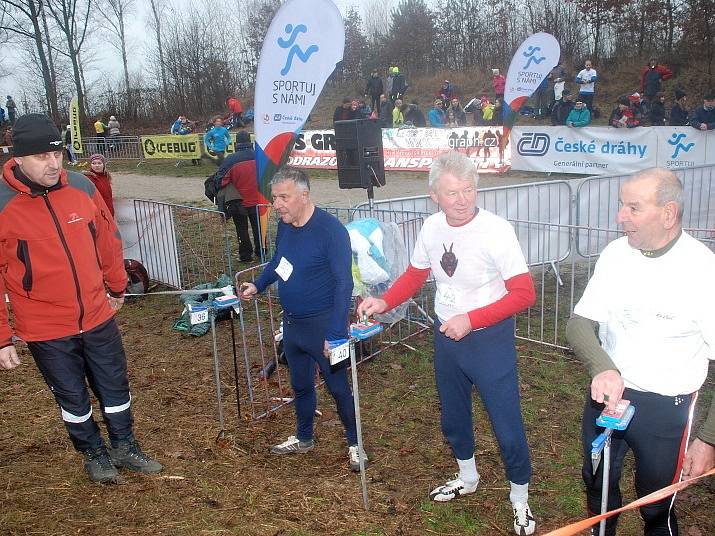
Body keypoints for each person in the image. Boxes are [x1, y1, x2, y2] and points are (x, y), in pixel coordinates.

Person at [357, 152, 537, 536]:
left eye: (469, 189)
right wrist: (385, 301)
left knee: (506, 424)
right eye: (452, 192)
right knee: (454, 417)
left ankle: (520, 497)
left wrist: (471, 320)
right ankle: (467, 477)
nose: (462, 198)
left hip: (489, 340)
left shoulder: (496, 230)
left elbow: (523, 294)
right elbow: (416, 274)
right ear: (434, 195)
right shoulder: (431, 227)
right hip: (448, 339)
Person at [0, 113, 162, 483]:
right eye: (41, 157)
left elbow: (108, 240)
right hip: (44, 326)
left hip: (96, 313)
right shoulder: (2, 203)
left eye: (57, 154)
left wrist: (118, 286)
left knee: (115, 386)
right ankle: (93, 453)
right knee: (73, 397)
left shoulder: (81, 187)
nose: (52, 163)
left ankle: (124, 445)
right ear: (18, 157)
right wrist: (2, 337)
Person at [566, 167, 715, 536]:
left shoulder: (702, 271)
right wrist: (603, 367)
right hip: (608, 397)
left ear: (668, 213)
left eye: (633, 207)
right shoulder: (616, 254)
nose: (620, 216)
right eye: (621, 205)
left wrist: (709, 439)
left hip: (666, 409)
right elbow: (579, 323)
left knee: (655, 503)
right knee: (598, 487)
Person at [238, 167, 366, 472]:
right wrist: (258, 284)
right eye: (275, 198)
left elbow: (343, 284)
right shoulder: (285, 226)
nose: (277, 204)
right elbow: (280, 262)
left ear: (304, 195)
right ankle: (304, 437)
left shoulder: (331, 231)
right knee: (300, 385)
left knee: (338, 388)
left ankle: (355, 444)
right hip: (293, 325)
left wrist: (335, 333)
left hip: (324, 326)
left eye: (284, 197)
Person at [219, 130, 263, 262]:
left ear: (236, 143)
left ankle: (245, 256)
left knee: (241, 230)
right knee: (259, 228)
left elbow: (222, 181)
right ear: (250, 141)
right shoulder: (260, 156)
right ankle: (261, 252)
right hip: (258, 200)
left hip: (238, 202)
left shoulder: (230, 159)